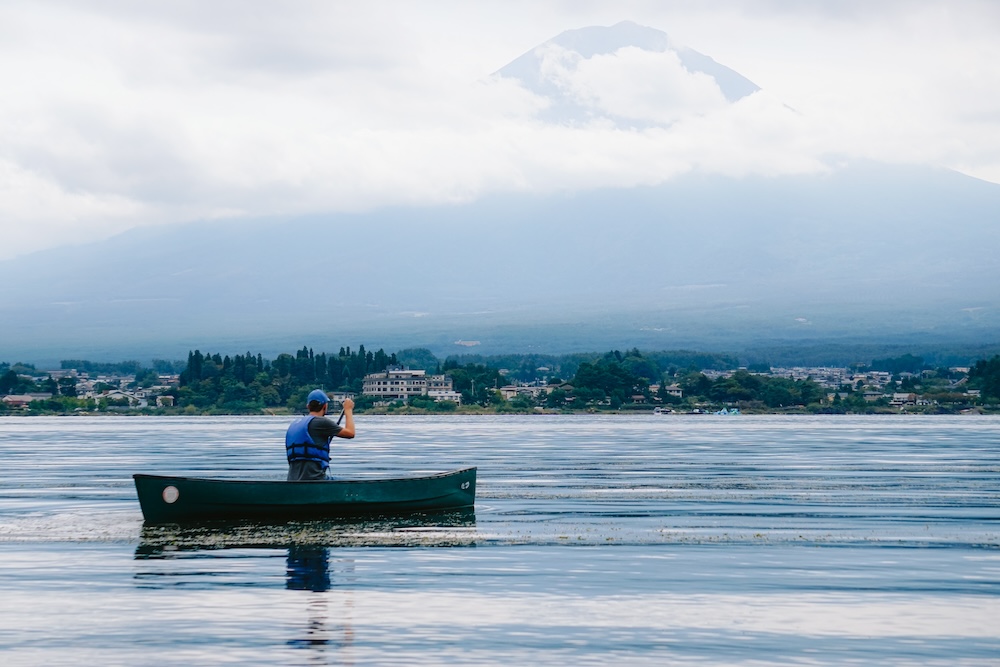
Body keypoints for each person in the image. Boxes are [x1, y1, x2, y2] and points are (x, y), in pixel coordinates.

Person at [285, 389, 355, 481]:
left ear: (308, 406)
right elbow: (350, 433)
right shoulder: (321, 422)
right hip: (315, 479)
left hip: (293, 480)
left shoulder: (295, 424)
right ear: (325, 406)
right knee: (348, 483)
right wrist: (348, 410)